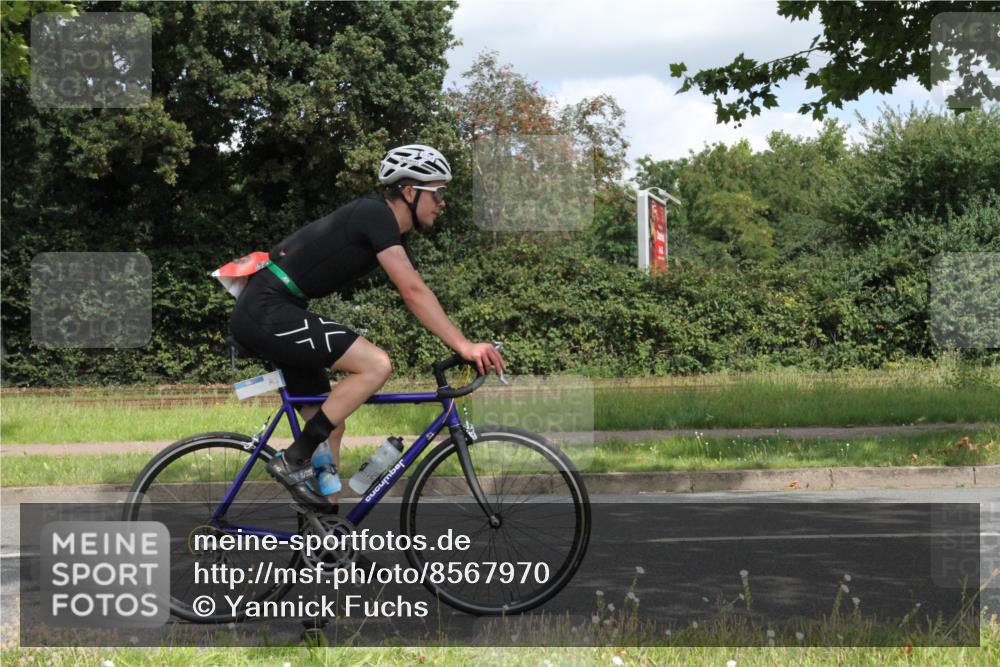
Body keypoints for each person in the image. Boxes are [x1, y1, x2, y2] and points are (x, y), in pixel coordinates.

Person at [229, 144, 506, 508]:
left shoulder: (388, 231)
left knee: (331, 430)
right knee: (375, 364)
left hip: (276, 308)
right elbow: (413, 292)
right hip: (266, 309)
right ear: (410, 191)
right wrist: (465, 346)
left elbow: (416, 291)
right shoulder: (375, 215)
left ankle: (324, 540)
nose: (443, 202)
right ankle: (293, 458)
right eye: (438, 193)